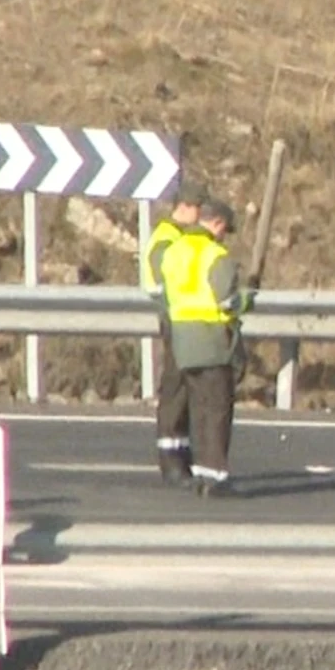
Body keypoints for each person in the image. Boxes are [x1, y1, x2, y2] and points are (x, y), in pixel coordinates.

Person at [158, 199, 251, 498]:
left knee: (197, 410)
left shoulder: (174, 252)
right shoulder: (215, 255)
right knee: (216, 410)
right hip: (211, 339)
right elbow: (227, 301)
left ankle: (199, 472)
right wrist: (247, 299)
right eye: (225, 230)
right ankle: (215, 477)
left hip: (182, 339)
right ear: (218, 224)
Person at [145, 184, 206, 485]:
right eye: (196, 207)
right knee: (174, 388)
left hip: (184, 319)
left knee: (184, 388)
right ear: (183, 207)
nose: (199, 214)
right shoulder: (167, 239)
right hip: (175, 320)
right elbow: (161, 284)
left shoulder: (179, 237)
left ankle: (181, 454)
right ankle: (170, 458)